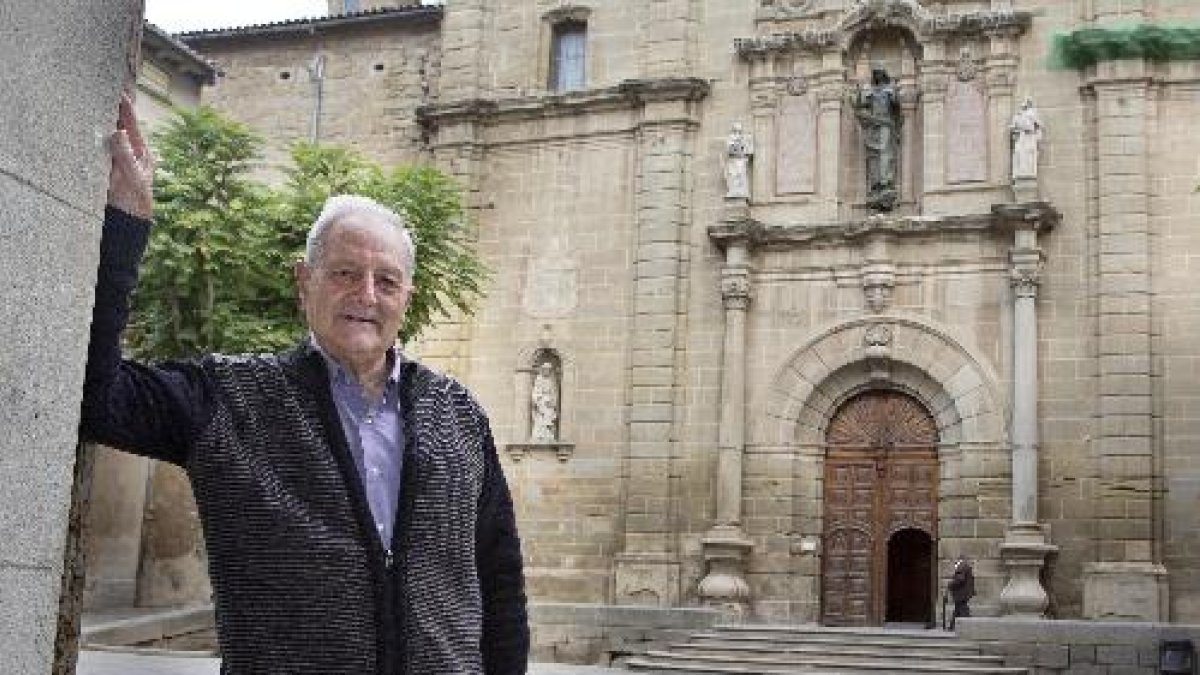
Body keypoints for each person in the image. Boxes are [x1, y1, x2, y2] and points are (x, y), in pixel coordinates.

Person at [83, 95, 529, 674]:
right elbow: (96, 400)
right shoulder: (232, 399)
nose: (366, 295)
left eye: (386, 280)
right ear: (305, 282)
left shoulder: (459, 416)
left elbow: (499, 582)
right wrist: (124, 232)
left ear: (407, 299)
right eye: (344, 273)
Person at [854, 67, 902, 212]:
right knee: (874, 157)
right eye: (876, 73)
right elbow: (861, 108)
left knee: (886, 156)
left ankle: (886, 184)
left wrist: (894, 93)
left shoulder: (889, 89)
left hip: (886, 124)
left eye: (880, 73)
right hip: (873, 126)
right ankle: (876, 186)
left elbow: (896, 107)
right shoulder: (868, 90)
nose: (878, 75)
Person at [1010, 96, 1043, 182]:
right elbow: (1014, 127)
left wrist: (1037, 134)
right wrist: (1015, 129)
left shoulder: (1032, 113)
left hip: (1029, 136)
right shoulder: (1019, 115)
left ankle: (1027, 172)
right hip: (1022, 136)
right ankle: (1021, 172)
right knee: (1019, 152)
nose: (1025, 106)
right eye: (1024, 105)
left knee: (1028, 153)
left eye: (1027, 104)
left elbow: (1038, 125)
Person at [947, 555, 975, 630]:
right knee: (958, 609)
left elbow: (960, 579)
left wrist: (950, 584)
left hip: (961, 593)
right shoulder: (966, 566)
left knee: (962, 610)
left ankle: (967, 626)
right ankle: (952, 626)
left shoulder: (961, 566)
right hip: (964, 593)